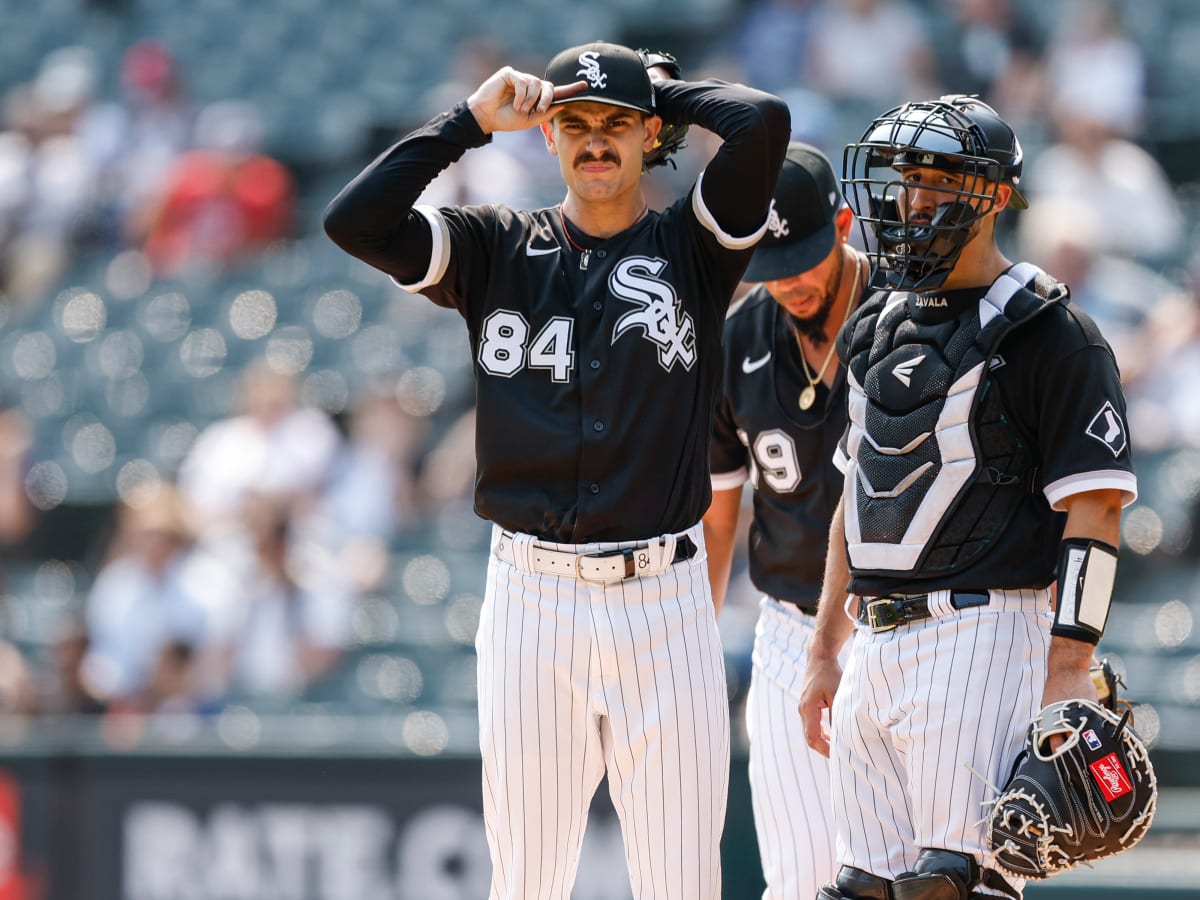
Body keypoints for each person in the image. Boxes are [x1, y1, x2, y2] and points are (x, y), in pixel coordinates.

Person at [323, 40, 790, 899]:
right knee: (528, 879)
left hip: (666, 599)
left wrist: (663, 94)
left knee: (681, 883)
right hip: (533, 598)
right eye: (576, 124)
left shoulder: (695, 248)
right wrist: (465, 124)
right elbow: (353, 222)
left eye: (616, 125)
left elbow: (761, 123)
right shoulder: (495, 246)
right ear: (549, 137)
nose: (596, 142)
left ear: (649, 135)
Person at [797, 94, 1137, 900]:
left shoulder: (1051, 334)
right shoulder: (874, 323)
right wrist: (821, 652)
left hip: (983, 632)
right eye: (904, 179)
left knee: (953, 885)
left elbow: (1097, 510)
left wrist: (1069, 665)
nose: (912, 199)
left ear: (991, 196)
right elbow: (858, 497)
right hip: (872, 644)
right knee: (860, 887)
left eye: (937, 180)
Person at [702, 142, 871, 899]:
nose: (791, 281)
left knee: (908, 875)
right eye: (771, 265)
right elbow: (717, 511)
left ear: (841, 224)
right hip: (788, 627)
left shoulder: (909, 319)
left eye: (803, 258)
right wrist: (698, 639)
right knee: (797, 884)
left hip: (903, 625)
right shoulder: (738, 337)